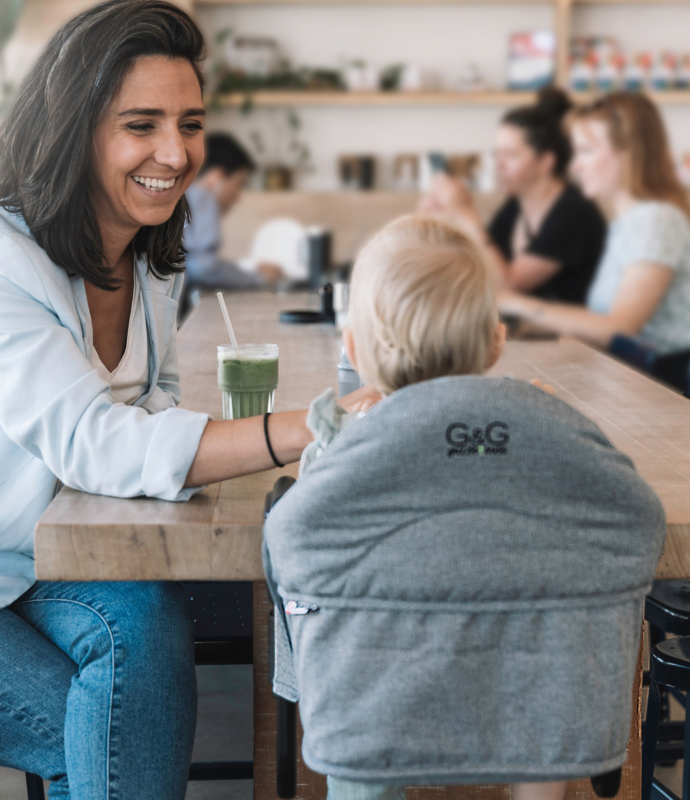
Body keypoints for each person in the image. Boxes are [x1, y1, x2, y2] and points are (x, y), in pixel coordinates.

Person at [0, 2, 377, 798]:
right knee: (110, 734)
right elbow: (96, 442)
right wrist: (313, 426)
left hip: (45, 559)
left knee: (147, 621)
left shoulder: (149, 258)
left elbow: (154, 407)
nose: (176, 153)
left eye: (190, 124)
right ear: (74, 131)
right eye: (141, 125)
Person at [263, 216, 665, 800]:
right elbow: (635, 516)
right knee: (547, 676)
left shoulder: (342, 447)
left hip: (371, 687)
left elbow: (294, 533)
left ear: (352, 348)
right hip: (539, 674)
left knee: (355, 712)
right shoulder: (548, 433)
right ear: (496, 342)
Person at [499, 91, 690, 353]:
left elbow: (621, 329)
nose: (575, 166)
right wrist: (527, 325)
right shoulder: (626, 223)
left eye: (586, 151)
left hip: (661, 376)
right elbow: (599, 322)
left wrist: (516, 303)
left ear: (629, 152)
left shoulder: (657, 220)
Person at [419, 87, 606, 303]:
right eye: (497, 154)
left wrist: (466, 213)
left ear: (546, 162)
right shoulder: (516, 205)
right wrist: (443, 220)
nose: (499, 165)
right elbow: (480, 263)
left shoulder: (574, 213)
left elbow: (509, 285)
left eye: (510, 155)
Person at [182, 132, 283, 292]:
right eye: (239, 183)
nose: (237, 196)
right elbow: (203, 267)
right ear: (216, 177)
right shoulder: (202, 197)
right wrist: (258, 278)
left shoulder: (183, 197)